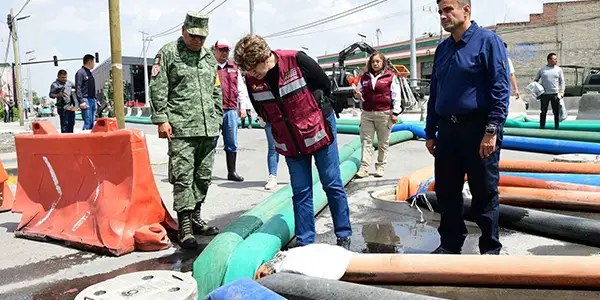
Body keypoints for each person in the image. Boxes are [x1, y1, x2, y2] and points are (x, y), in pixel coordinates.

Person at [234, 34, 352, 250]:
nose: (250, 75)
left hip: (317, 130)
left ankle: (343, 235)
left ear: (264, 58)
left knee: (331, 183)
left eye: (252, 70)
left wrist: (311, 113)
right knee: (301, 191)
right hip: (289, 141)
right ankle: (305, 242)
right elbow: (260, 108)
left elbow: (325, 86)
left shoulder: (296, 60)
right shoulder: (252, 79)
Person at [425, 0, 510, 255]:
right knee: (446, 191)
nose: (443, 16)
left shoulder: (487, 41)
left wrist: (491, 130)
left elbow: (500, 88)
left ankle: (489, 248)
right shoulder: (442, 49)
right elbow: (435, 92)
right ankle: (450, 244)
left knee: (483, 191)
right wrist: (430, 132)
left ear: (466, 10)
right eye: (440, 11)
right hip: (448, 132)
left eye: (448, 9)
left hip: (478, 130)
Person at [149, 11, 222, 248]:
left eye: (201, 37)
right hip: (181, 128)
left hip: (207, 128)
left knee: (202, 177)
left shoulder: (209, 57)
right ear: (183, 30)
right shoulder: (168, 53)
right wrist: (161, 119)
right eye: (193, 36)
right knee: (183, 177)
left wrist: (217, 116)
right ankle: (185, 226)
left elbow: (216, 89)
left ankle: (196, 216)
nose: (197, 41)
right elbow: (159, 87)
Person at [352, 52, 402, 178]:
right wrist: (357, 96)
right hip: (367, 114)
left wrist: (395, 112)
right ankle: (364, 168)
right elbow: (359, 95)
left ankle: (380, 166)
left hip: (384, 113)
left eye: (377, 61)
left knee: (383, 142)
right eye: (373, 61)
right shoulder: (364, 77)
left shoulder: (390, 76)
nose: (375, 64)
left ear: (383, 62)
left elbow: (396, 95)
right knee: (366, 141)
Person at [212, 38, 249, 182]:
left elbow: (240, 88)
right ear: (215, 50)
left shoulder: (234, 68)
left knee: (232, 143)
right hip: (214, 111)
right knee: (211, 143)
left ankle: (231, 172)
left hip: (231, 111)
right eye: (221, 49)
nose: (223, 53)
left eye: (226, 50)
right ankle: (205, 174)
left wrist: (243, 107)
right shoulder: (209, 67)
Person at [534, 52, 565, 130]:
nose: (556, 61)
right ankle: (542, 128)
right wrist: (537, 91)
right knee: (543, 112)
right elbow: (535, 81)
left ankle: (556, 128)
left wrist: (561, 92)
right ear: (549, 60)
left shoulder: (558, 69)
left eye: (556, 59)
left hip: (555, 94)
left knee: (556, 112)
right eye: (554, 59)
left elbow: (562, 82)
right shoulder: (542, 69)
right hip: (544, 95)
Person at [75, 54, 97, 130]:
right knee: (87, 122)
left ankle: (91, 140)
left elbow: (91, 87)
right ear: (90, 61)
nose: (94, 64)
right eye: (93, 62)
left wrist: (95, 99)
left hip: (92, 100)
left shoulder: (90, 73)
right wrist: (81, 101)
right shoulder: (80, 73)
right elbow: (78, 88)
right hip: (85, 100)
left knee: (92, 122)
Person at [257, 116, 279, 190]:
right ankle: (272, 176)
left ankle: (296, 175)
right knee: (273, 148)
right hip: (269, 118)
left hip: (286, 117)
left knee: (290, 147)